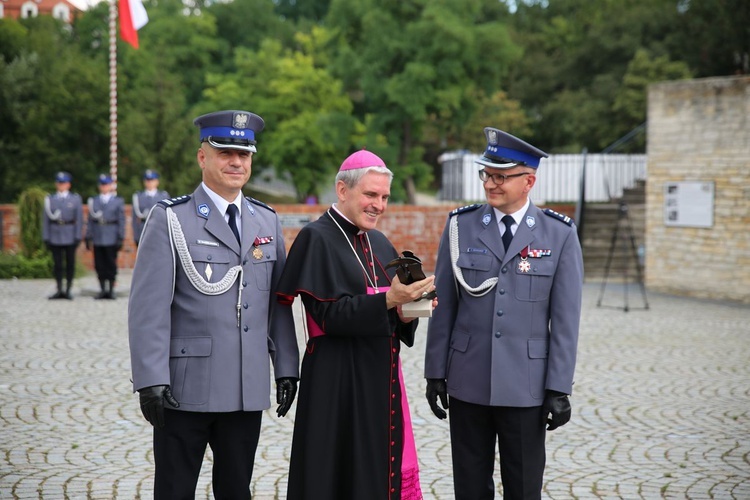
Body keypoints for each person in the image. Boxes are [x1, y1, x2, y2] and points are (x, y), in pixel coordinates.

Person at [127, 109, 299, 499]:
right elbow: (148, 309)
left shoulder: (266, 221)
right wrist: (150, 379)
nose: (236, 162)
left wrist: (286, 366)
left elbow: (278, 304)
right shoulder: (171, 219)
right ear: (202, 156)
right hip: (186, 389)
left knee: (237, 489)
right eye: (225, 152)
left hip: (245, 388)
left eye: (245, 154)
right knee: (174, 488)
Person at [424, 127, 584, 499]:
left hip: (526, 385)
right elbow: (444, 304)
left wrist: (558, 387)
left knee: (524, 485)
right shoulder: (461, 226)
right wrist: (435, 372)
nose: (491, 183)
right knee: (470, 485)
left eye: (501, 176)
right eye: (487, 174)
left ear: (528, 181)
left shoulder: (558, 234)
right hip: (468, 379)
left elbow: (564, 320)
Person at [276, 149, 436, 500]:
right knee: (334, 474)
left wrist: (414, 305)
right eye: (370, 194)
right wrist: (390, 300)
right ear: (343, 190)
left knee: (376, 473)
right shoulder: (315, 238)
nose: (378, 204)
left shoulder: (379, 241)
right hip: (335, 382)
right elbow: (328, 317)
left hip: (380, 377)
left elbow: (392, 317)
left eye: (384, 197)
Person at [42, 171, 83, 300]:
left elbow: (79, 219)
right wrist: (46, 236)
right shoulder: (50, 199)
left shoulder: (75, 199)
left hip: (70, 233)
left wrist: (78, 236)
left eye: (64, 183)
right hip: (55, 233)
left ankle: (68, 289)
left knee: (70, 263)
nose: (61, 185)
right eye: (59, 183)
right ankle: (59, 288)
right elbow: (46, 220)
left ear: (68, 185)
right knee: (57, 264)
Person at [85, 174, 125, 300]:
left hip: (111, 234)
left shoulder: (117, 201)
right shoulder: (94, 201)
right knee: (99, 264)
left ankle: (111, 289)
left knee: (111, 264)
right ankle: (102, 289)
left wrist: (120, 236)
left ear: (110, 186)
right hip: (98, 234)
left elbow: (121, 220)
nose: (104, 187)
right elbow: (90, 220)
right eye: (102, 185)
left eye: (106, 184)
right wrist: (88, 236)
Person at [131, 169, 170, 246]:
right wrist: (136, 236)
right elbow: (135, 219)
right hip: (143, 230)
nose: (149, 183)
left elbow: (167, 217)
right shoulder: (138, 196)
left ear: (157, 182)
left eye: (152, 180)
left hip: (159, 231)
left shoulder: (163, 196)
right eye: (147, 180)